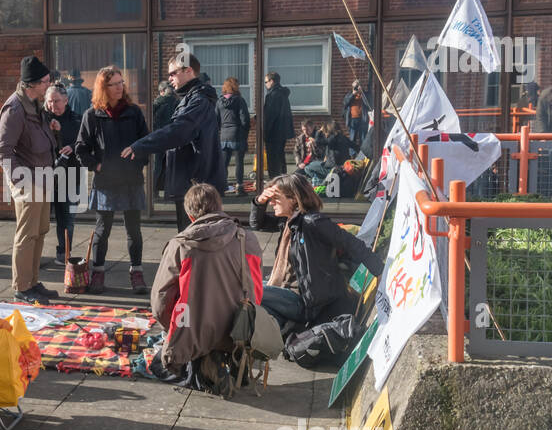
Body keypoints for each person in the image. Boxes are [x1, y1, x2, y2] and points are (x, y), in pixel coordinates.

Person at [151, 183, 262, 378]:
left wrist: (173, 329)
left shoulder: (180, 245)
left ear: (191, 216)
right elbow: (257, 292)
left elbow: (161, 301)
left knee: (157, 366)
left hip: (192, 330)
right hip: (238, 327)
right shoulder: (248, 239)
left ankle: (201, 361)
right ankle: (227, 358)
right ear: (220, 207)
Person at [255, 172, 384, 331]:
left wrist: (380, 271)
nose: (271, 203)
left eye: (275, 197)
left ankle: (285, 330)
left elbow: (351, 243)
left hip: (303, 299)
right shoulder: (289, 222)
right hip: (284, 289)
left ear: (293, 199)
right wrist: (259, 202)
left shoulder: (312, 222)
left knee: (249, 290)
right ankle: (283, 331)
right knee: (244, 289)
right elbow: (258, 224)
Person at [123, 53, 221, 231]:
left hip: (194, 185)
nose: (169, 79)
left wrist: (141, 145)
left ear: (188, 71)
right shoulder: (191, 98)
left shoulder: (198, 101)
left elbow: (178, 131)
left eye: (173, 73)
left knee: (193, 240)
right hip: (189, 183)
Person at [76, 66, 149, 294]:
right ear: (103, 88)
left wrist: (138, 161)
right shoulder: (92, 115)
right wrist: (97, 166)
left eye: (121, 82)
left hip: (131, 181)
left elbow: (146, 144)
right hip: (105, 182)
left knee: (134, 231)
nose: (120, 87)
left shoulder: (134, 112)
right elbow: (81, 149)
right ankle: (97, 272)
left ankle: (136, 272)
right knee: (102, 230)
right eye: (114, 84)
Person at [0, 55, 59, 303]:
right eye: (45, 81)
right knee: (26, 234)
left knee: (40, 231)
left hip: (43, 178)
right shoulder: (15, 109)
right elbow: (2, 150)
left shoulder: (35, 105)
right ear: (31, 84)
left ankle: (32, 281)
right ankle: (22, 286)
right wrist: (22, 181)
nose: (48, 85)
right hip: (28, 181)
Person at [44, 84, 82, 266]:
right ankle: (35, 254)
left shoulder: (76, 120)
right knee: (42, 217)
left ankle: (64, 252)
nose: (53, 105)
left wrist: (73, 148)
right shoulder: (42, 119)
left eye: (56, 101)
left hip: (70, 175)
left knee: (66, 218)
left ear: (66, 101)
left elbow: (86, 143)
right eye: (49, 101)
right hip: (46, 176)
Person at [217, 77, 251, 196]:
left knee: (224, 163)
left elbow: (216, 120)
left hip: (224, 135)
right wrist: (245, 131)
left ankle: (221, 188)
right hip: (237, 135)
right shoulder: (239, 100)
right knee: (239, 163)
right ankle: (239, 187)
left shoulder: (219, 101)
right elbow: (245, 120)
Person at [262, 71, 294, 180]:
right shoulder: (283, 93)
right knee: (280, 156)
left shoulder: (273, 95)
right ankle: (283, 179)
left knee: (273, 159)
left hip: (273, 132)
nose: (265, 84)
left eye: (266, 82)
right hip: (282, 132)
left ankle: (275, 180)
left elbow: (271, 115)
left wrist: (265, 131)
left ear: (272, 81)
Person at [151, 77, 177, 197]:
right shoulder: (175, 101)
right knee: (167, 164)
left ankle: (155, 191)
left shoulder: (157, 103)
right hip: (170, 136)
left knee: (158, 165)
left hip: (159, 136)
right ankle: (167, 191)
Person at [345, 80, 371, 147]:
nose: (356, 88)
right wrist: (353, 94)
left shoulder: (364, 94)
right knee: (352, 138)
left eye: (357, 86)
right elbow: (345, 103)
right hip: (352, 119)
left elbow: (368, 104)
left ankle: (362, 155)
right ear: (352, 87)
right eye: (354, 86)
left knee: (363, 138)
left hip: (362, 119)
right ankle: (352, 154)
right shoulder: (349, 94)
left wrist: (362, 92)